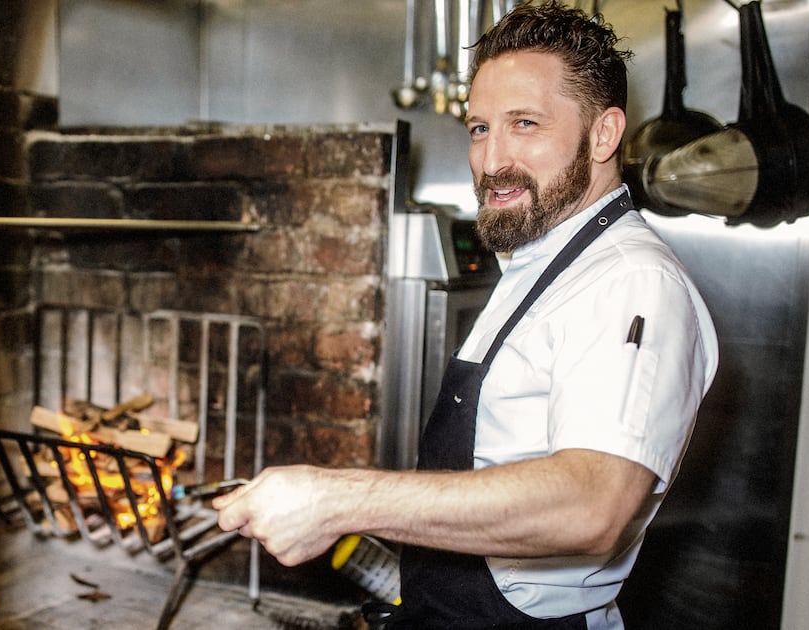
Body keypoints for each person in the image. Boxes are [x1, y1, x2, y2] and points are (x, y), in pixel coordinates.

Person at [214, 2, 719, 628]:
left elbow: (595, 506)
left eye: (525, 124)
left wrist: (339, 500)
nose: (492, 160)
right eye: (479, 129)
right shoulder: (541, 261)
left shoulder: (630, 280)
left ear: (604, 134)